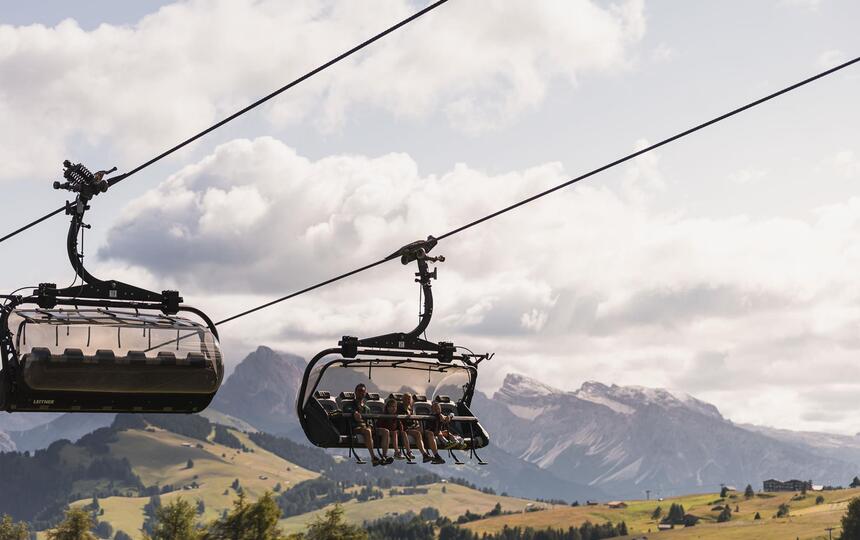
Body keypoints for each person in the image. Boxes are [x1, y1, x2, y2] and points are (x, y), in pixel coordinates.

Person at [352, 383, 391, 466]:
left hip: (367, 428)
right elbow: (348, 412)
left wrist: (370, 426)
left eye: (363, 392)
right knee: (367, 431)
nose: (361, 393)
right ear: (355, 392)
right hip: (356, 428)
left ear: (365, 393)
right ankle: (373, 458)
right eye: (359, 391)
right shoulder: (350, 405)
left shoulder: (367, 408)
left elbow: (369, 422)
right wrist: (353, 413)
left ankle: (384, 456)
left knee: (386, 431)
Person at [401, 394, 444, 464]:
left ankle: (431, 455)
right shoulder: (400, 408)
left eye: (409, 399)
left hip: (414, 428)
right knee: (419, 433)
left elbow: (414, 421)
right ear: (403, 400)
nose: (408, 400)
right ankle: (425, 454)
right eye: (406, 399)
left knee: (424, 432)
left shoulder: (411, 409)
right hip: (405, 429)